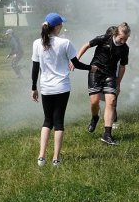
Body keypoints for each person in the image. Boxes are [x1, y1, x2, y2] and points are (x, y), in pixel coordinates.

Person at [32, 13, 97, 167]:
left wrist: (33, 87)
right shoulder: (65, 43)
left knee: (47, 121)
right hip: (62, 87)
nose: (62, 27)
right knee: (58, 122)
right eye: (61, 24)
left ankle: (41, 157)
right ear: (57, 27)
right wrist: (91, 68)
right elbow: (76, 64)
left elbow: (35, 68)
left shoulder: (37, 43)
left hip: (46, 88)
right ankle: (56, 159)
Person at [76, 22, 131, 146]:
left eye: (126, 39)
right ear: (116, 34)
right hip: (95, 72)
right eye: (121, 38)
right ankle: (95, 118)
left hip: (110, 75)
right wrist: (76, 59)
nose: (123, 41)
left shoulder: (125, 48)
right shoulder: (104, 38)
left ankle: (107, 134)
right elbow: (87, 45)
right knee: (94, 102)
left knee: (111, 101)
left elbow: (122, 67)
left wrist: (118, 83)